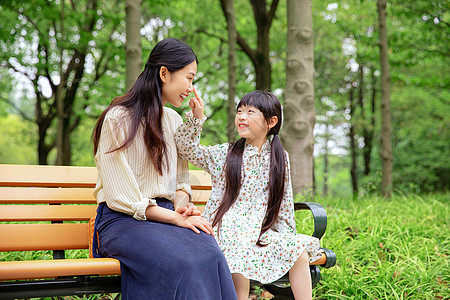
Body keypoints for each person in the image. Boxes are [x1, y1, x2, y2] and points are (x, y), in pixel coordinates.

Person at [91, 38, 237, 300]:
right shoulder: (117, 118)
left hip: (167, 219)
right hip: (124, 221)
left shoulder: (173, 120)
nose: (191, 88)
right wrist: (176, 218)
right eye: (189, 78)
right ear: (164, 73)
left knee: (212, 254)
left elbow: (181, 183)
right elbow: (121, 197)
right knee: (181, 264)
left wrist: (182, 207)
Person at [175, 89, 323, 300]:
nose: (242, 116)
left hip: (259, 233)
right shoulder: (224, 155)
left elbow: (284, 203)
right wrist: (196, 119)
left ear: (271, 121)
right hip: (224, 231)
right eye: (240, 111)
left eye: (251, 112)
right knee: (238, 254)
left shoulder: (280, 158)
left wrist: (287, 237)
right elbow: (187, 149)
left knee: (297, 250)